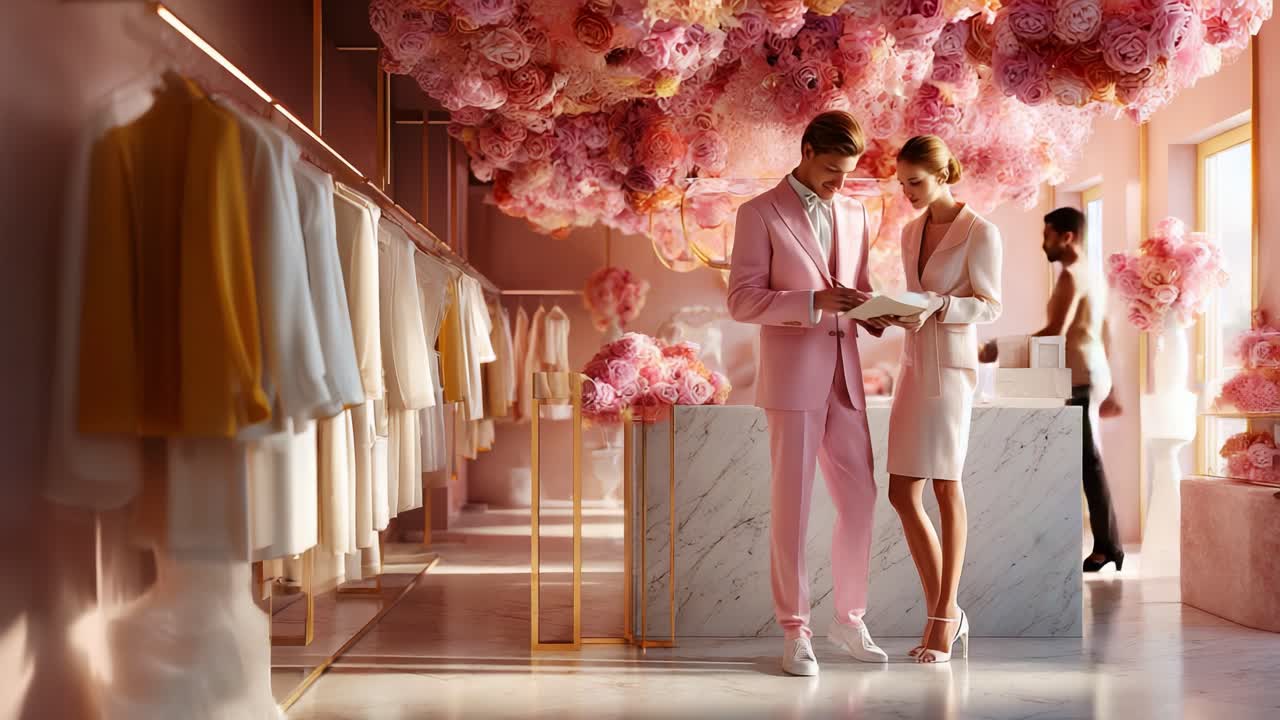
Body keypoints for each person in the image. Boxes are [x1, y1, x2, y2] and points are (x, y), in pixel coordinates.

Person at [726, 111, 892, 676]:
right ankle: (795, 630)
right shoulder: (758, 213)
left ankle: (850, 619)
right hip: (793, 380)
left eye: (847, 173)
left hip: (846, 377)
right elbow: (742, 301)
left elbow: (859, 290)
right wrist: (813, 303)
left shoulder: (855, 211)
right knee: (792, 509)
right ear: (805, 150)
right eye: (829, 170)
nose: (839, 184)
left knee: (862, 500)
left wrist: (880, 314)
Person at [886, 135, 1002, 664]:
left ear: (942, 175)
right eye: (903, 182)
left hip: (952, 374)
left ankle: (943, 614)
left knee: (946, 486)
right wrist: (891, 311)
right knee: (901, 491)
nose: (907, 192)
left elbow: (990, 305)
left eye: (915, 181)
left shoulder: (981, 232)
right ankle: (946, 611)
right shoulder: (910, 233)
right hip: (914, 366)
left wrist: (938, 305)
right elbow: (915, 297)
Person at [980, 207, 1125, 572]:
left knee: (1087, 461)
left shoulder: (1070, 276)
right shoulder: (1092, 273)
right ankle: (1108, 544)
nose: (1042, 243)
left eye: (1046, 235)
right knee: (1087, 461)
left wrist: (1001, 347)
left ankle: (1108, 546)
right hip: (1093, 371)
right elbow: (1104, 332)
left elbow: (1054, 332)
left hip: (1079, 375)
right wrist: (1113, 386)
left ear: (1066, 237)